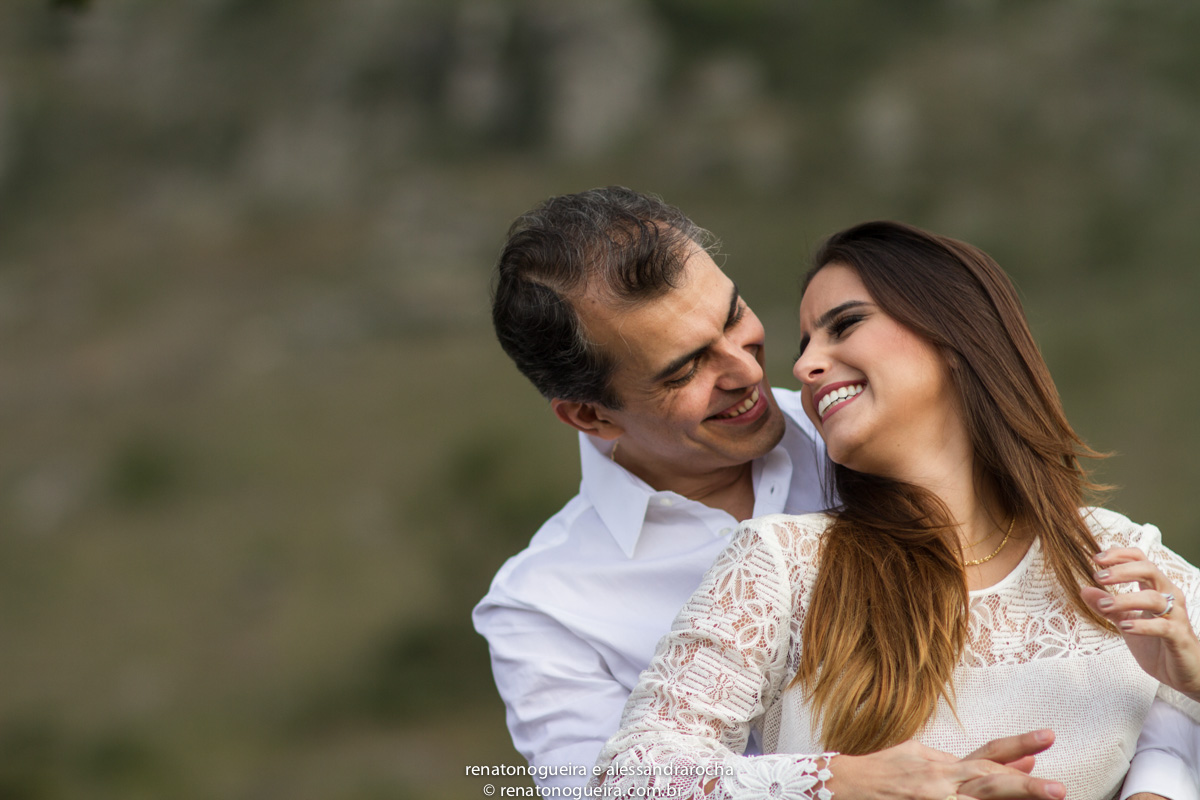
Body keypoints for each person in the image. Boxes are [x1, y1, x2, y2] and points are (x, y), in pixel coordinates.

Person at [474, 188, 1080, 799]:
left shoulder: (869, 426)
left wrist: (1157, 784)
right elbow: (604, 793)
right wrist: (831, 784)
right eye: (686, 369)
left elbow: (1096, 604)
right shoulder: (542, 608)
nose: (746, 371)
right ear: (590, 415)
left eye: (735, 316)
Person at [590, 220, 1200, 800]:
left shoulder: (1113, 553)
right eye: (805, 346)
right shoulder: (782, 564)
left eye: (844, 325)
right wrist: (842, 782)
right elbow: (631, 777)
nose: (802, 367)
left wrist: (1193, 680)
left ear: (955, 334)